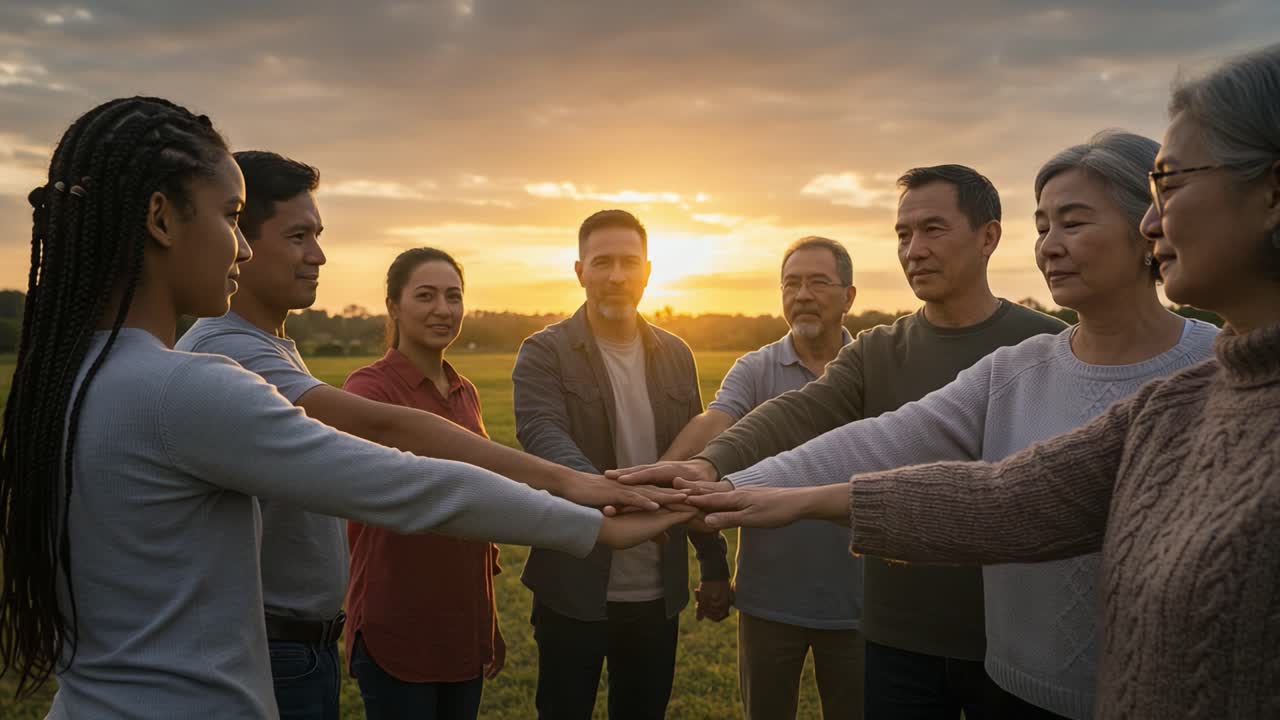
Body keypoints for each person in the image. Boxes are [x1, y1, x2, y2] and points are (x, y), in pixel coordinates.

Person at [0, 97, 693, 720]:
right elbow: (411, 484)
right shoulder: (187, 387)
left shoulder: (65, 378)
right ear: (160, 218)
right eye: (233, 219)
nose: (241, 246)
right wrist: (590, 521)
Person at [683, 43, 1280, 720]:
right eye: (902, 234)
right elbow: (1002, 494)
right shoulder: (1059, 378)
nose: (1154, 219)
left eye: (1167, 190)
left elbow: (1014, 504)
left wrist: (775, 496)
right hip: (985, 670)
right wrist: (732, 484)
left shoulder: (1177, 373)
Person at [175, 152, 680, 719]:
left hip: (313, 643)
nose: (318, 255)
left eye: (317, 235)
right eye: (298, 236)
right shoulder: (232, 352)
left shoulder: (278, 351)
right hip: (286, 645)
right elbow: (397, 445)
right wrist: (578, 498)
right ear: (239, 240)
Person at [615, 167, 1067, 718]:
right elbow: (796, 411)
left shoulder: (1044, 345)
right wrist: (709, 466)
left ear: (989, 237)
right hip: (895, 637)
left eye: (933, 230)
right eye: (903, 234)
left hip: (1011, 637)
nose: (914, 250)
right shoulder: (877, 351)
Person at [512, 209, 731, 720]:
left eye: (628, 262)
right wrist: (611, 494)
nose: (615, 276)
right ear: (579, 270)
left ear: (648, 270)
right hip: (573, 583)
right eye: (601, 262)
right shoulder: (544, 353)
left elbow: (694, 463)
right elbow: (544, 436)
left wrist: (714, 561)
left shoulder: (676, 353)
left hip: (658, 592)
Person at [661, 236, 865, 720]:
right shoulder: (756, 368)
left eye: (818, 282)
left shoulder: (875, 365)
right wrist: (664, 469)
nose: (802, 295)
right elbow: (718, 421)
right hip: (769, 597)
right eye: (791, 283)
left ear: (849, 296)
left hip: (861, 599)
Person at [341, 248, 504, 720]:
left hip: (461, 628)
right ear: (393, 305)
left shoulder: (464, 390)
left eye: (454, 297)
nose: (443, 309)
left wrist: (485, 619)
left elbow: (480, 510)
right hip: (397, 626)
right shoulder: (369, 390)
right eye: (426, 296)